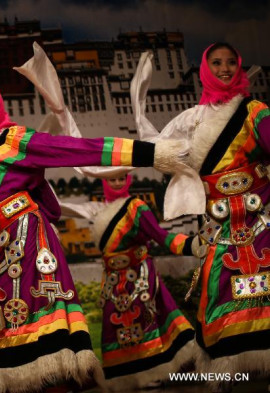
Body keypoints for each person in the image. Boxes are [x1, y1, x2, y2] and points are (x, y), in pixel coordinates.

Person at [0, 14, 188, 393]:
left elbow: (79, 149)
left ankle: (61, 381)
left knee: (34, 318)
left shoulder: (17, 140)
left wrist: (152, 154)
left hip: (28, 240)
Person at [134, 43, 270, 392]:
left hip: (260, 223)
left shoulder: (256, 112)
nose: (224, 69)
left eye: (230, 63)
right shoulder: (190, 119)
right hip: (220, 226)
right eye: (216, 63)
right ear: (205, 70)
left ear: (239, 68)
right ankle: (228, 374)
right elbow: (160, 148)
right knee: (219, 292)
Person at [82, 174, 197, 391]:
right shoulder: (100, 211)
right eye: (112, 179)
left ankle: (151, 373)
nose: (116, 182)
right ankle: (124, 378)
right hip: (113, 281)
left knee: (144, 322)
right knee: (114, 327)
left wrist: (190, 244)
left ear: (128, 180)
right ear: (104, 182)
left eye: (120, 178)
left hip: (138, 277)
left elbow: (160, 235)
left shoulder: (137, 207)